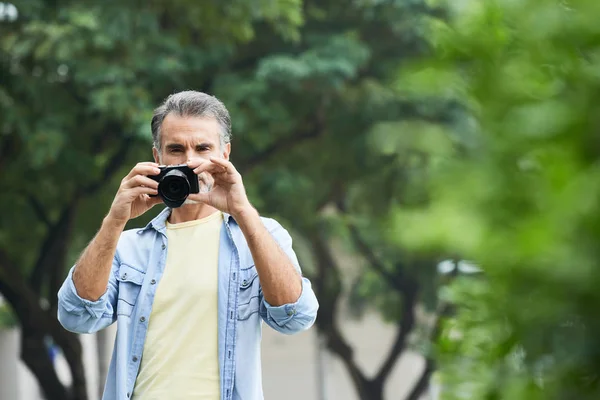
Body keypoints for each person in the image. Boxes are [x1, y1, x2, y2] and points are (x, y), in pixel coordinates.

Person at [57, 91, 319, 400]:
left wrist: (243, 211)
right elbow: (77, 316)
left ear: (225, 153)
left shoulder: (260, 235)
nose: (189, 161)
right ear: (158, 157)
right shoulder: (128, 247)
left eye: (203, 148)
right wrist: (115, 220)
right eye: (176, 149)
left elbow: (295, 317)